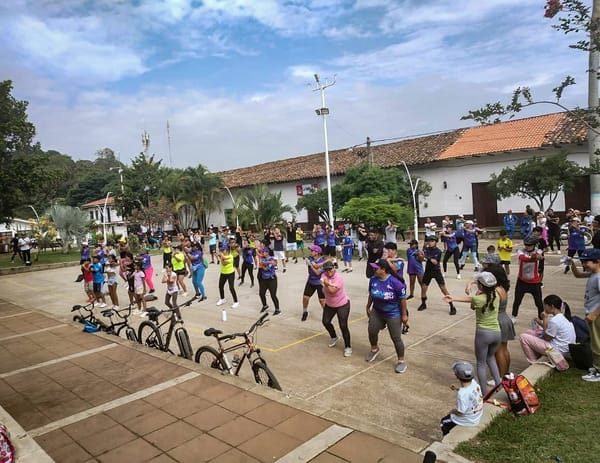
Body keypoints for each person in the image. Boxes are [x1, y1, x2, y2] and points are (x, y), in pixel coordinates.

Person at [443, 271, 502, 394]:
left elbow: (470, 302)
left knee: (480, 363)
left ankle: (485, 394)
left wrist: (452, 298)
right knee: (491, 359)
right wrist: (472, 284)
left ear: (481, 286)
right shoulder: (496, 295)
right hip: (497, 332)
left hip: (483, 333)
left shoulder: (478, 298)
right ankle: (499, 385)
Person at [365, 259, 409, 373]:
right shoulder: (373, 280)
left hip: (393, 314)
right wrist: (368, 306)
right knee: (372, 331)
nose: (374, 270)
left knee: (396, 338)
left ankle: (401, 361)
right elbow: (371, 293)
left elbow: (403, 300)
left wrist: (404, 315)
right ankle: (374, 349)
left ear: (383, 270)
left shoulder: (396, 283)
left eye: (376, 268)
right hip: (377, 311)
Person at [568, 247, 600, 381]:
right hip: (592, 313)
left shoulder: (598, 277)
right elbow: (578, 275)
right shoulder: (593, 273)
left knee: (597, 344)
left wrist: (594, 314)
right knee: (594, 341)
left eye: (587, 262)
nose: (584, 264)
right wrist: (572, 264)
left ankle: (598, 371)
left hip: (596, 315)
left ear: (597, 261)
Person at [519, 294, 576, 363]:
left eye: (545, 305)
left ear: (551, 306)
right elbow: (550, 331)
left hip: (558, 351)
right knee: (528, 332)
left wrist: (545, 319)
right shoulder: (563, 317)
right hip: (565, 348)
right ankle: (537, 356)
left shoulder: (554, 321)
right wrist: (540, 322)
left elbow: (546, 337)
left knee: (523, 337)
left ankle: (533, 362)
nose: (544, 308)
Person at [439, 361, 483, 436]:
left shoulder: (462, 394)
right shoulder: (474, 383)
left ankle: (448, 436)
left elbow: (461, 412)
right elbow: (469, 392)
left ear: (456, 376)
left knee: (443, 422)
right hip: (476, 415)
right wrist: (457, 388)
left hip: (468, 421)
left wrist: (452, 411)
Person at [418, 236, 457, 315]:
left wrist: (426, 257)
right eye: (429, 241)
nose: (430, 242)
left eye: (432, 241)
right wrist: (420, 256)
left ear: (435, 242)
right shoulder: (426, 249)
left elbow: (435, 261)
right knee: (424, 287)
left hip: (436, 271)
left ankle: (452, 306)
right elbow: (422, 259)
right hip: (428, 271)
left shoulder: (438, 251)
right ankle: (423, 303)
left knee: (443, 288)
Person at [321, 260, 352, 357]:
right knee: (325, 321)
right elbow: (323, 283)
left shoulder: (339, 278)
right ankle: (334, 337)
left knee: (343, 325)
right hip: (330, 304)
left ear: (334, 268)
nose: (328, 271)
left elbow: (332, 291)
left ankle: (348, 347)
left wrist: (327, 284)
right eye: (326, 270)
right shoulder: (324, 275)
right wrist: (327, 283)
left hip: (342, 304)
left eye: (330, 269)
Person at [511, 235, 544, 322]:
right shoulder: (520, 251)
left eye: (529, 245)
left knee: (539, 303)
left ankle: (541, 319)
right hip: (522, 281)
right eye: (526, 245)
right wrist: (534, 258)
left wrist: (537, 257)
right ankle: (514, 316)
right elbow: (523, 258)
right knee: (517, 301)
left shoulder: (539, 251)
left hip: (535, 282)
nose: (527, 247)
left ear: (534, 245)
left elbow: (540, 256)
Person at [302, 244, 326, 321]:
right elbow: (314, 265)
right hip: (311, 281)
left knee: (322, 300)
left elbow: (317, 273)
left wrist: (311, 265)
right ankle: (305, 311)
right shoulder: (310, 258)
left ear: (317, 252)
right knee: (305, 298)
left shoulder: (322, 261)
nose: (311, 252)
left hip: (320, 282)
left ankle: (326, 315)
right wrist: (312, 264)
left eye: (312, 251)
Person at [258, 246, 281, 315]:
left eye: (264, 252)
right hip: (264, 279)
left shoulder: (272, 258)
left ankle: (277, 309)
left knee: (273, 295)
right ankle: (265, 305)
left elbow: (266, 268)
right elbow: (262, 265)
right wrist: (269, 262)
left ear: (267, 252)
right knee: (261, 293)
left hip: (272, 279)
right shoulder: (263, 258)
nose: (262, 253)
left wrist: (265, 264)